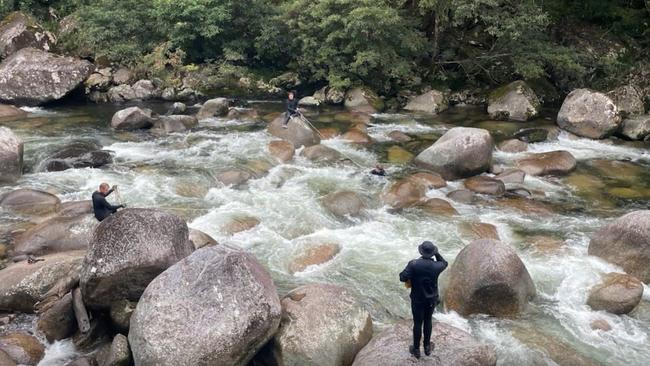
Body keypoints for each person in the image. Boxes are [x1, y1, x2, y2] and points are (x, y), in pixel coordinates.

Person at [399, 241, 448, 359]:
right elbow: (444, 263)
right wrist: (437, 253)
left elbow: (402, 277)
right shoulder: (437, 266)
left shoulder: (413, 264)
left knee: (417, 323)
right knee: (428, 321)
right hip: (431, 300)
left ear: (420, 251)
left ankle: (416, 350)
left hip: (417, 299)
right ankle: (427, 347)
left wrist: (410, 276)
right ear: (432, 253)